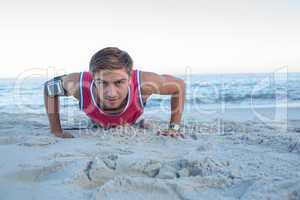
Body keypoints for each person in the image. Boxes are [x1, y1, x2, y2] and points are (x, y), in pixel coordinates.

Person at [44, 47, 185, 138]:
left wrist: (174, 127)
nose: (111, 93)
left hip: (130, 121)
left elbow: (179, 85)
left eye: (119, 82)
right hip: (97, 123)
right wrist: (56, 130)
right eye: (102, 83)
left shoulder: (144, 83)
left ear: (130, 77)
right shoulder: (78, 85)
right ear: (92, 78)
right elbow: (49, 88)